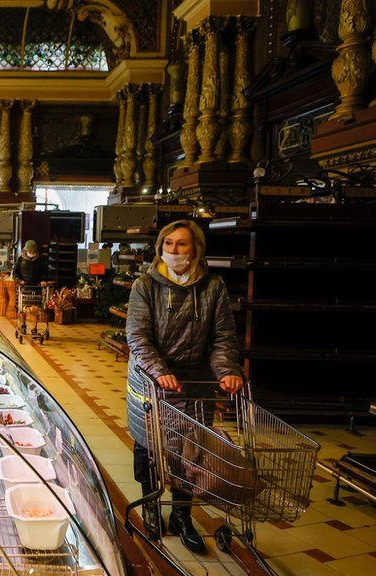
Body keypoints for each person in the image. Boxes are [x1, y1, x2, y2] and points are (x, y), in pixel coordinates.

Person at [125, 220, 243, 553]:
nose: (174, 251)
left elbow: (222, 336)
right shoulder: (145, 285)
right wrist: (159, 370)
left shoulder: (213, 286)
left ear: (196, 249)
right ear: (161, 247)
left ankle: (181, 515)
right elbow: (138, 336)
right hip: (151, 380)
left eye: (182, 245)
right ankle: (150, 504)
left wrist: (226, 370)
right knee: (148, 443)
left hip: (195, 382)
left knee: (191, 449)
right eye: (169, 244)